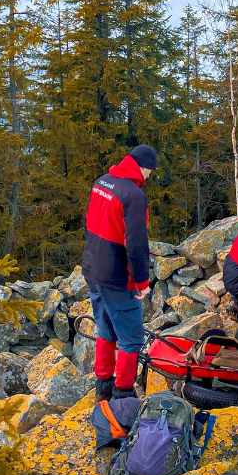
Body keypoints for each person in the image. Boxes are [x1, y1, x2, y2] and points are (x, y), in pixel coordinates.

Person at [83, 144, 157, 401]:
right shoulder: (133, 195)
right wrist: (142, 283)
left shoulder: (102, 182)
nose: (149, 177)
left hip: (93, 269)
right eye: (150, 172)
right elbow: (136, 244)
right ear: (144, 167)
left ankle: (103, 386)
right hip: (117, 277)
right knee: (131, 339)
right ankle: (123, 393)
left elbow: (89, 221)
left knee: (105, 329)